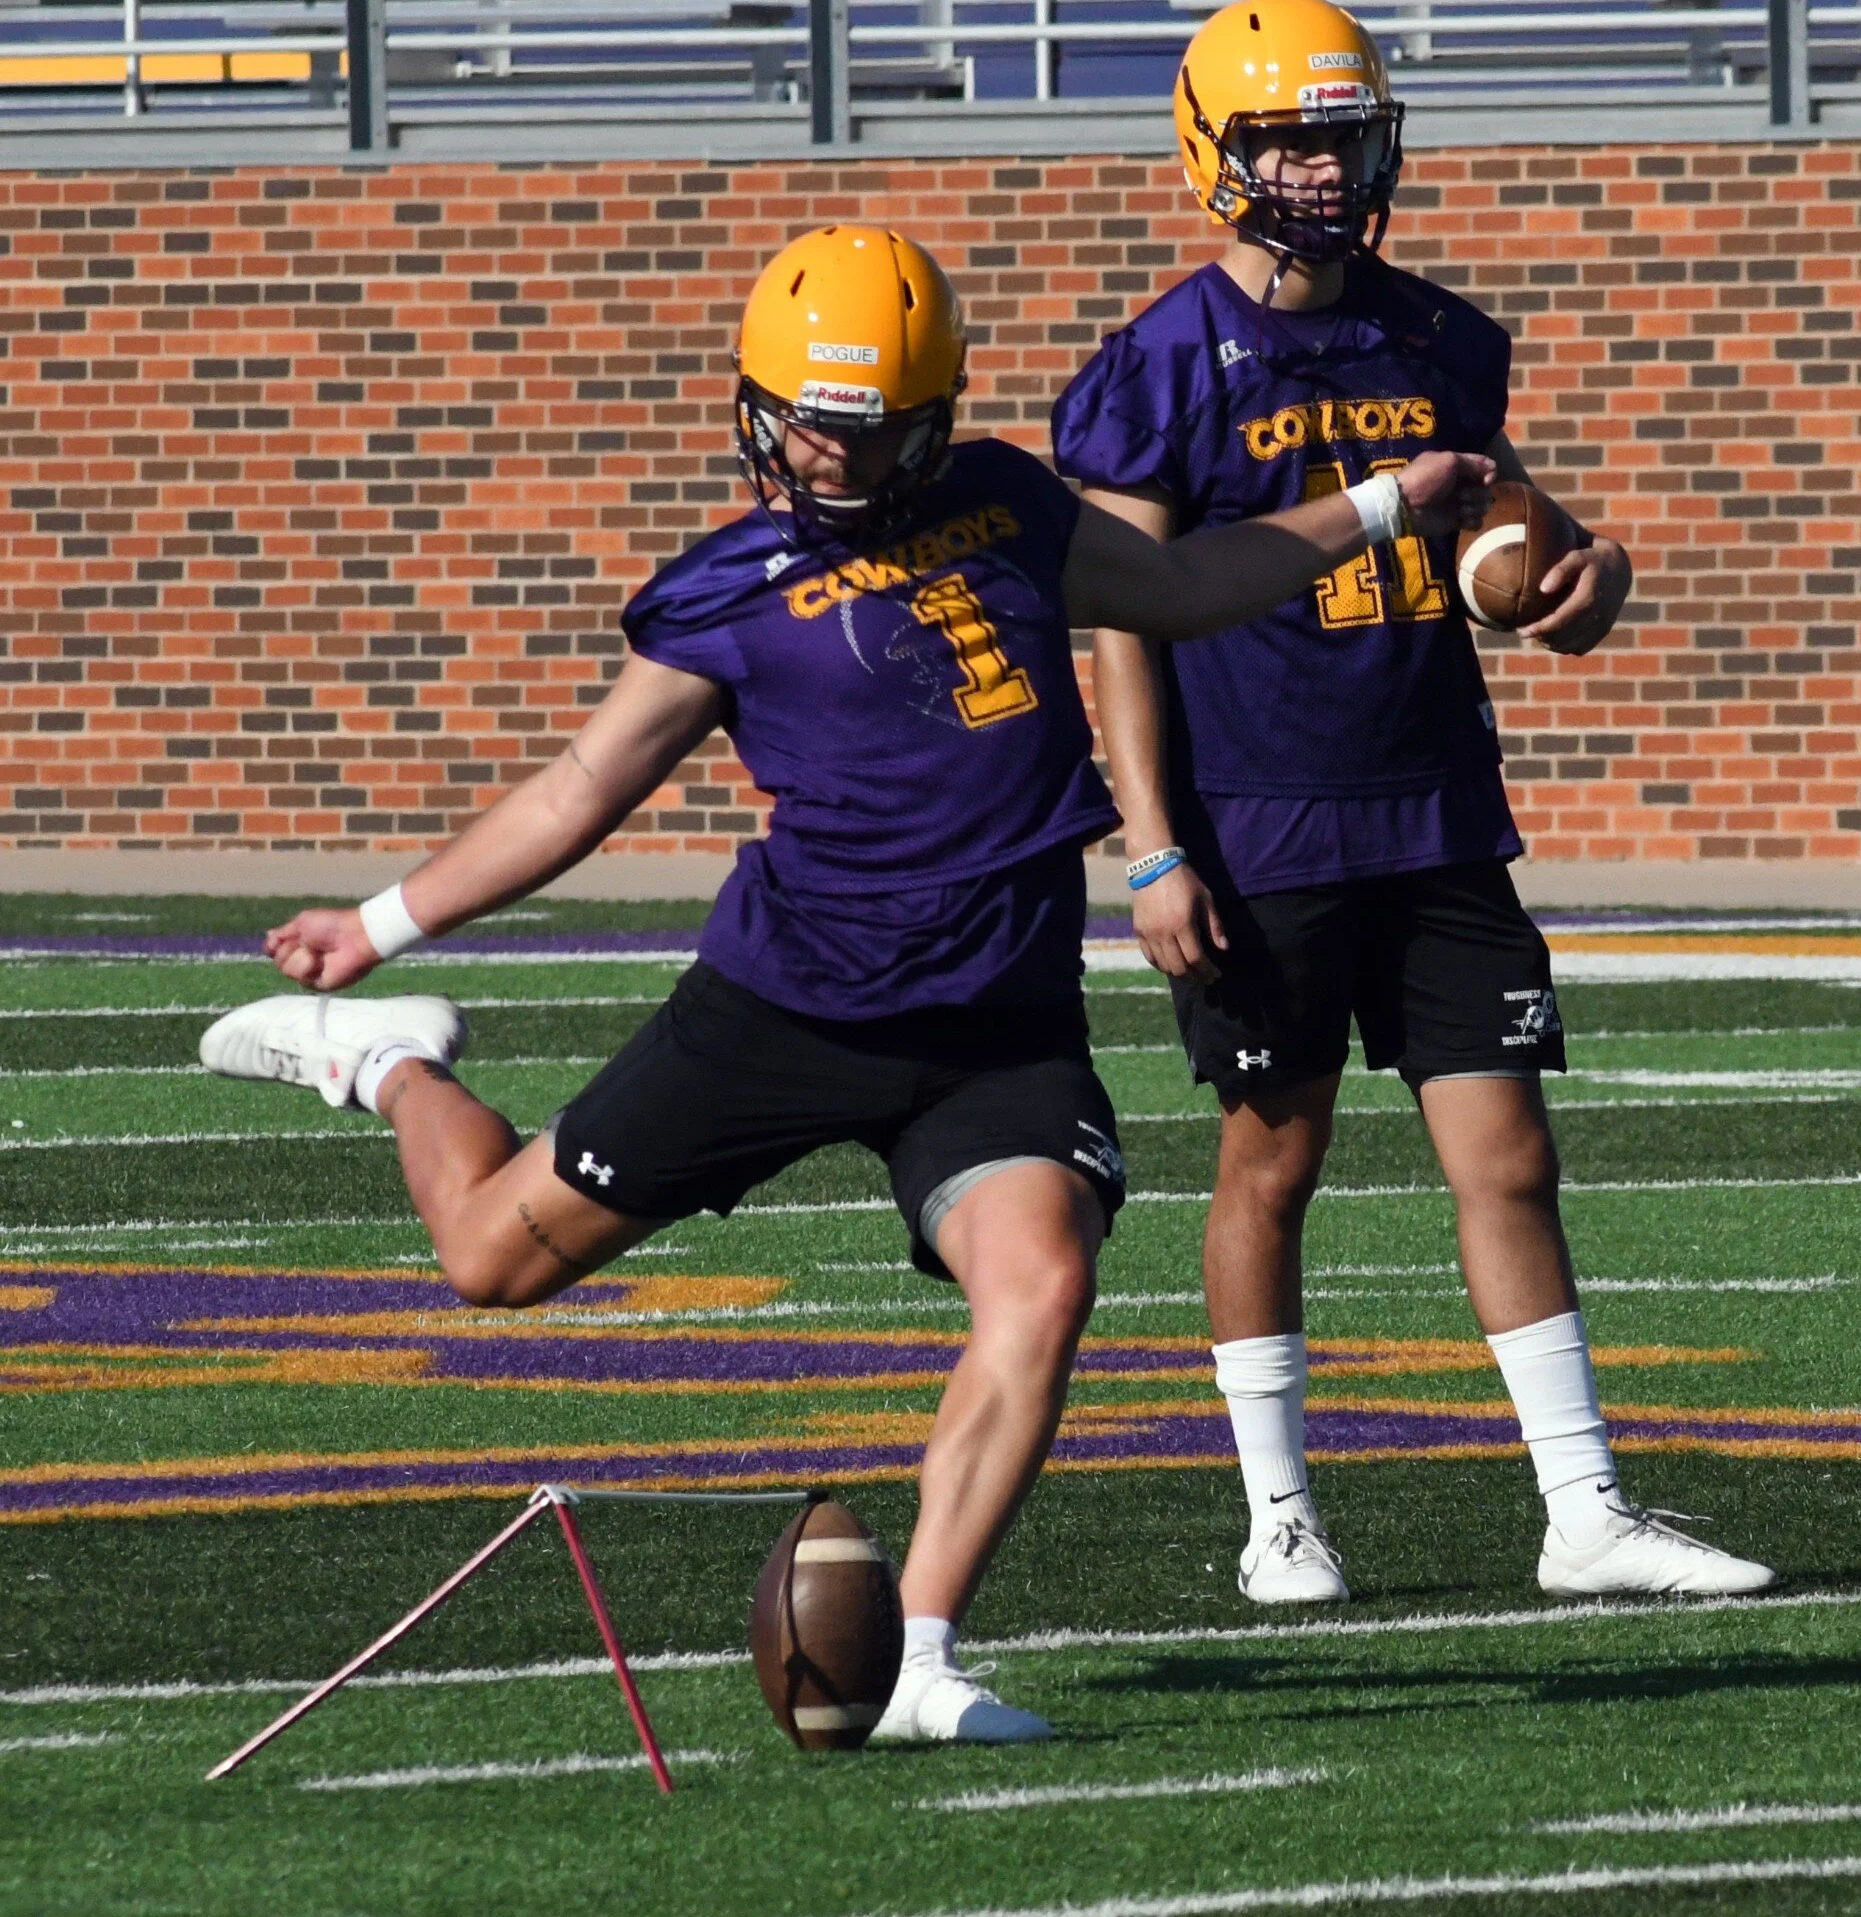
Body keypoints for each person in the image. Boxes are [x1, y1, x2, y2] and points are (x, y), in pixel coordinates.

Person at [200, 224, 1495, 1740]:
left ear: (934, 411)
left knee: (1048, 1281)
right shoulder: (725, 590)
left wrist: (1380, 503)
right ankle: (389, 1064)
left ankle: (922, 1660)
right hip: (785, 1007)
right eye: (809, 420)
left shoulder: (1010, 503)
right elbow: (578, 787)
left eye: (868, 426)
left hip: (996, 1026)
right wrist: (379, 925)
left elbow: (1191, 585)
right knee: (493, 1261)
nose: (829, 455)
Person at [1053, 0, 1774, 1605]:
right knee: (1272, 1163)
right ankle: (1279, 1512)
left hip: (1435, 803)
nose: (1320, 171)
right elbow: (1119, 624)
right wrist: (1153, 844)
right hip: (1259, 817)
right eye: (1287, 141)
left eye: (1337, 136)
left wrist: (1594, 574)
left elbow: (1524, 527)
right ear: (1216, 151)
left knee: (1509, 1156)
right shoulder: (1159, 367)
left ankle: (1583, 1508)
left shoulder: (1436, 334)